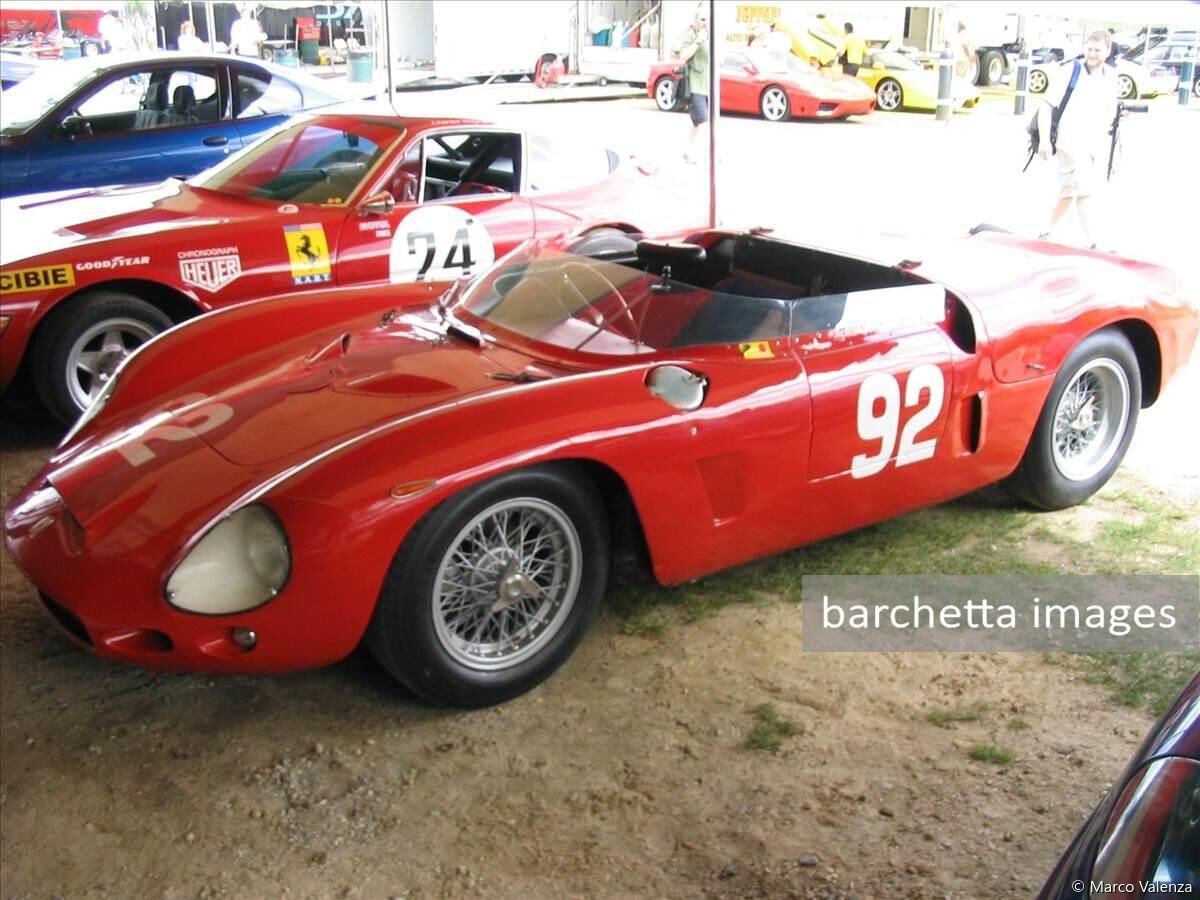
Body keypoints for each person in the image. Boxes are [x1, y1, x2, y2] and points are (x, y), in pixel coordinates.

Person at [1037, 30, 1121, 249]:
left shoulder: (1110, 76)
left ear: (1107, 51)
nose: (1092, 54)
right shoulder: (1070, 71)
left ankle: (1046, 231)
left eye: (1097, 50)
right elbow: (1046, 105)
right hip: (1069, 142)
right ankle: (1093, 241)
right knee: (1084, 190)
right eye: (1089, 49)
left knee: (1069, 192)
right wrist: (1045, 140)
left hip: (1092, 144)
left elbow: (1109, 108)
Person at [678, 8, 709, 165]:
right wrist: (698, 41)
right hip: (695, 85)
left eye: (707, 20)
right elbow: (683, 56)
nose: (705, 23)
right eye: (702, 20)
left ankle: (688, 152)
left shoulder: (710, 36)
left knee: (697, 124)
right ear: (695, 20)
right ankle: (706, 154)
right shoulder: (691, 35)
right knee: (703, 122)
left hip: (708, 86)